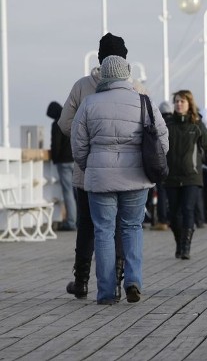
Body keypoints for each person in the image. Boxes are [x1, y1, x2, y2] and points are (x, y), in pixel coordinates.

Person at [71, 55, 169, 305]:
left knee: (103, 231)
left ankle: (106, 292)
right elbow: (162, 139)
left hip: (100, 177)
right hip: (136, 178)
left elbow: (78, 144)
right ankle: (133, 281)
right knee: (132, 228)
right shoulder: (143, 102)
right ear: (127, 75)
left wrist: (89, 166)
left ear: (103, 75)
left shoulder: (89, 103)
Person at [58, 32, 128, 300]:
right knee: (119, 224)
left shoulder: (82, 86)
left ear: (99, 58)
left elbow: (65, 122)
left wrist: (84, 137)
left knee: (87, 225)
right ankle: (118, 279)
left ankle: (82, 281)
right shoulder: (133, 88)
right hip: (123, 170)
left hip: (86, 170)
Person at [164, 90, 207, 259]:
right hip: (171, 176)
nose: (179, 104)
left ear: (189, 104)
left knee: (188, 210)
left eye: (182, 101)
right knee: (173, 214)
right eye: (176, 101)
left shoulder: (197, 124)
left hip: (192, 176)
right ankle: (179, 241)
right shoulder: (167, 125)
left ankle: (185, 247)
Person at [46, 101, 77, 231]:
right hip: (76, 160)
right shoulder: (71, 120)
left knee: (68, 192)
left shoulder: (57, 124)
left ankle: (70, 222)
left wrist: (54, 158)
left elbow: (56, 145)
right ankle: (80, 221)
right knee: (77, 192)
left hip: (64, 162)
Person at [149, 101, 174, 231]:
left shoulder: (159, 123)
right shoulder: (176, 123)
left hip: (162, 163)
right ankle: (174, 218)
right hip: (176, 164)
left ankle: (162, 220)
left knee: (162, 191)